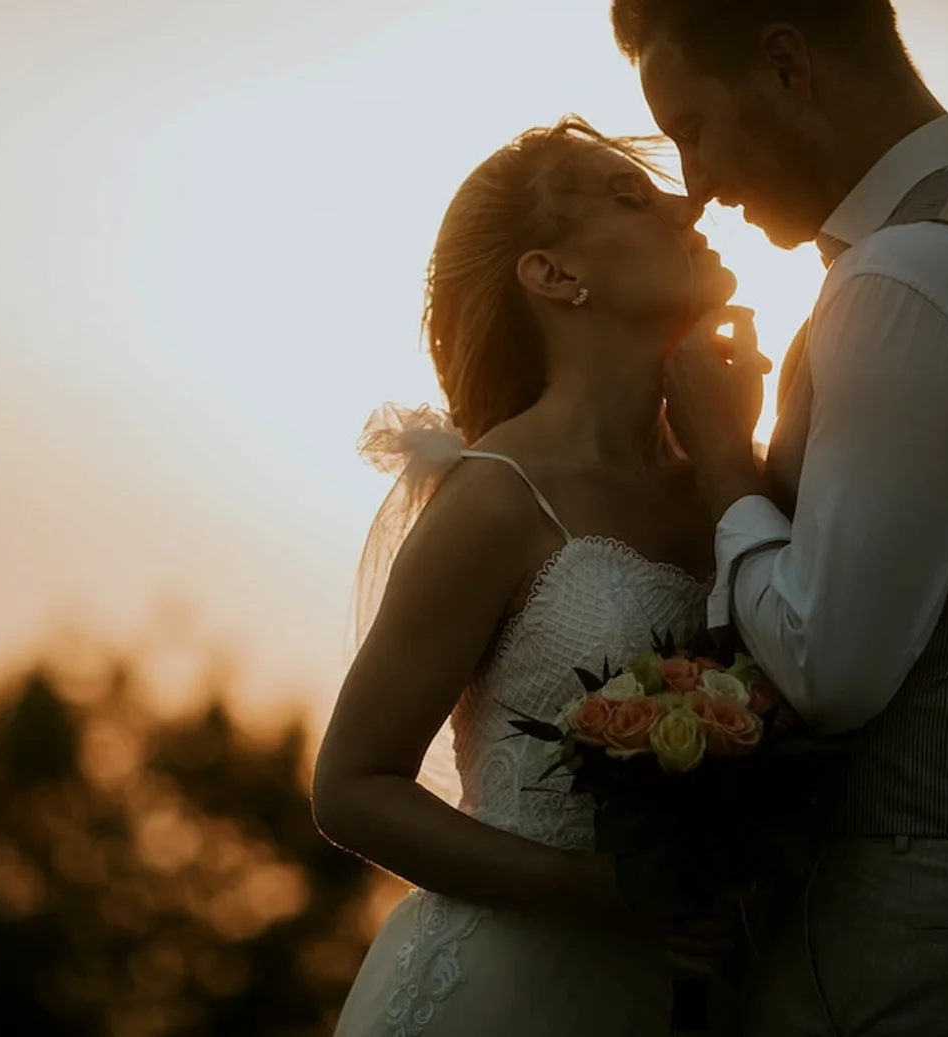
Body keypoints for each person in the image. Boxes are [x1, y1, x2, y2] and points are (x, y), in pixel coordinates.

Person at [615, 0, 948, 1033]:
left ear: (784, 64)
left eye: (691, 128)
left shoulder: (912, 274)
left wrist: (727, 468)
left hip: (924, 921)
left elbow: (829, 664)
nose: (698, 186)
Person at [312, 116, 749, 1036]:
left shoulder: (737, 483)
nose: (682, 202)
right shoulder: (496, 498)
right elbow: (352, 784)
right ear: (552, 275)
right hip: (494, 993)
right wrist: (592, 891)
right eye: (628, 195)